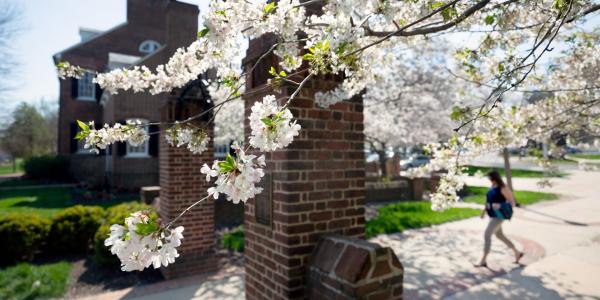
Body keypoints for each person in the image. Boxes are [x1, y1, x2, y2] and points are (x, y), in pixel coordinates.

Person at [475, 170, 524, 267]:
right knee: (500, 236)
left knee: (487, 235)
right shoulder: (493, 186)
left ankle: (483, 260)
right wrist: (484, 211)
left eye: (490, 178)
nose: (489, 180)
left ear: (494, 178)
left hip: (499, 216)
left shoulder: (503, 188)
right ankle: (517, 253)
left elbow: (512, 203)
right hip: (492, 215)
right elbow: (488, 200)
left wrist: (500, 205)